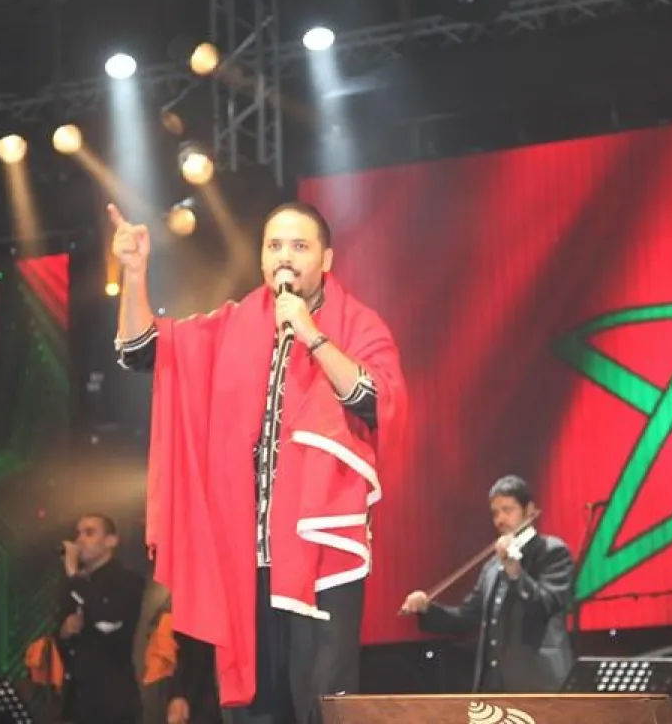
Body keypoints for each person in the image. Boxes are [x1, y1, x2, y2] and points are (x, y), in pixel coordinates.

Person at [109, 200, 409, 723]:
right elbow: (141, 350)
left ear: (326, 259)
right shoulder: (233, 325)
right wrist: (134, 274)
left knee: (324, 708)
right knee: (253, 711)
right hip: (247, 564)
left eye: (299, 246)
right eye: (274, 246)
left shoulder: (355, 324)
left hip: (320, 560)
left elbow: (376, 401)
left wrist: (312, 335)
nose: (285, 256)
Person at [399, 475, 574, 693]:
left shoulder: (551, 552)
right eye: (495, 513)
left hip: (538, 684)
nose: (500, 520)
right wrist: (427, 608)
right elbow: (466, 617)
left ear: (529, 510)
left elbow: (543, 606)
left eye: (507, 510)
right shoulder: (492, 566)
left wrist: (515, 572)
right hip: (494, 687)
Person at [57, 513, 147, 724]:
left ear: (111, 541)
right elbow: (61, 634)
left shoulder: (127, 581)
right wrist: (64, 632)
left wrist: (73, 575)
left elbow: (108, 621)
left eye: (89, 533)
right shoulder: (74, 585)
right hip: (76, 703)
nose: (80, 540)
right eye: (78, 533)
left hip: (111, 704)